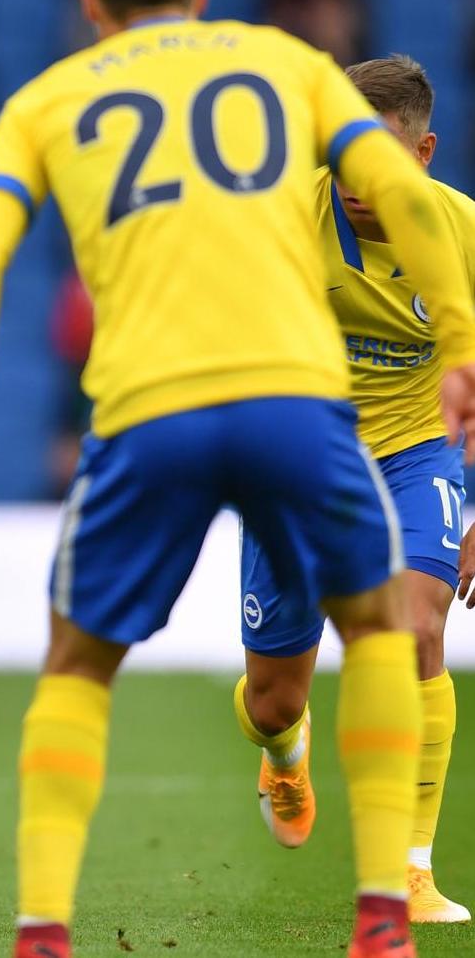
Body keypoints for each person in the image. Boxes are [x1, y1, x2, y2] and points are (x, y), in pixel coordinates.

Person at [0, 0, 475, 957]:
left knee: (83, 665)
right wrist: (462, 341)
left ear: (90, 2)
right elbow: (399, 194)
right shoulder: (284, 66)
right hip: (294, 416)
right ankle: (343, 854)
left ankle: (48, 929)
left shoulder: (49, 97)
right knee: (299, 683)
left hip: (184, 410)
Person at [235, 55, 475, 924]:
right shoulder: (276, 219)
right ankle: (282, 752)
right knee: (274, 700)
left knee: (416, 634)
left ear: (424, 153)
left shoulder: (463, 234)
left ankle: (410, 869)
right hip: (297, 462)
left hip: (415, 452)